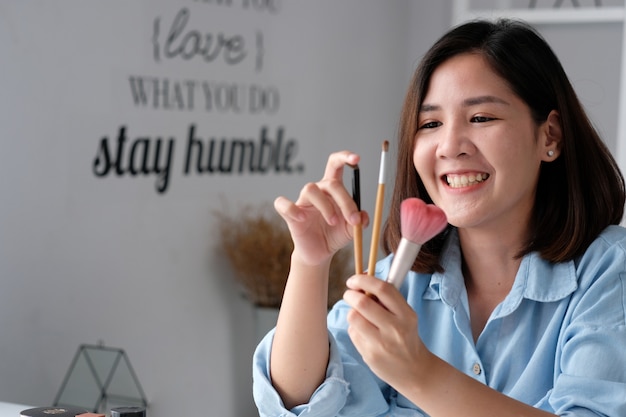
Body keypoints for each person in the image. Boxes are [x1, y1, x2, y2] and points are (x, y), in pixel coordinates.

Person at [252, 18, 626, 416]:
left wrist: (419, 373)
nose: (450, 146)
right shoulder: (396, 283)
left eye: (481, 118)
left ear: (549, 135)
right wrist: (310, 263)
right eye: (430, 124)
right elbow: (300, 405)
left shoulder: (608, 273)